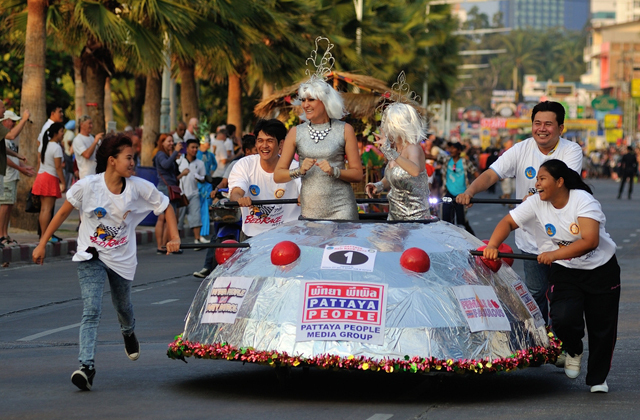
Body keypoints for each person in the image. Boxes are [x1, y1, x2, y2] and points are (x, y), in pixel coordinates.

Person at [32, 132, 181, 391]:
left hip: (122, 258)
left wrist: (175, 237)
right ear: (112, 160)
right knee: (91, 310)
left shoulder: (138, 187)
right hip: (91, 255)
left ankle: (128, 331)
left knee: (123, 306)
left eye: (133, 158)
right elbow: (62, 213)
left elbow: (166, 206)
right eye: (128, 158)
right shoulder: (88, 186)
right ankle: (86, 366)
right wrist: (42, 243)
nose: (133, 162)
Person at [483, 159, 619, 393]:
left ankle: (597, 379)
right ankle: (573, 349)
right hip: (565, 269)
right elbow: (508, 222)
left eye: (542, 179)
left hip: (601, 270)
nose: (537, 183)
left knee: (602, 327)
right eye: (536, 179)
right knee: (563, 317)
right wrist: (493, 245)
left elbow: (590, 241)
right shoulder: (536, 202)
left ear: (559, 182)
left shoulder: (583, 200)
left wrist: (554, 254)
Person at [456, 101, 583, 325]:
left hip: (563, 240)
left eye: (548, 124)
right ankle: (543, 339)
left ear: (561, 128)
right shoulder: (520, 149)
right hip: (531, 239)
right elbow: (492, 174)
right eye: (537, 123)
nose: (542, 129)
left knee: (562, 297)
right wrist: (469, 192)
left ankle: (564, 339)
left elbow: (565, 184)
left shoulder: (572, 151)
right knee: (535, 294)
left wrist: (534, 197)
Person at [273, 75, 362, 219]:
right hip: (310, 211)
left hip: (342, 209)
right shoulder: (296, 132)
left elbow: (357, 174)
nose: (305, 105)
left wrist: (334, 171)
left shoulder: (345, 129)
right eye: (303, 100)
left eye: (311, 99)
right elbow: (278, 176)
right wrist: (299, 171)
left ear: (325, 101)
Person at [193, 134, 258, 278]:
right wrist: (216, 190)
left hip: (254, 208)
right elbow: (224, 182)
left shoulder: (261, 165)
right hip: (235, 205)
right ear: (247, 151)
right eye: (255, 150)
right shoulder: (236, 164)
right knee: (217, 234)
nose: (258, 152)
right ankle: (207, 266)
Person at [229, 119, 301, 239]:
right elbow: (236, 191)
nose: (264, 146)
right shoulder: (244, 165)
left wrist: (304, 196)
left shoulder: (294, 167)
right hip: (253, 237)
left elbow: (303, 187)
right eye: (260, 141)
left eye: (270, 141)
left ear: (281, 144)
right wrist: (239, 199)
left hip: (288, 235)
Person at [365, 102, 429, 220]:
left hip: (415, 219)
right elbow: (393, 177)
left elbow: (414, 171)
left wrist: (391, 153)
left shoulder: (413, 148)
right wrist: (378, 185)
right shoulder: (396, 150)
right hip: (394, 217)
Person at [0, 110, 36, 246]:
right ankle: (1, 235)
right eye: (12, 121)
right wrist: (24, 119)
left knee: (8, 207)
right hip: (6, 176)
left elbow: (7, 153)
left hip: (10, 176)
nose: (14, 124)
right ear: (5, 121)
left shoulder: (6, 139)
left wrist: (21, 162)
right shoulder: (5, 135)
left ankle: (4, 234)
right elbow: (5, 157)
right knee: (4, 207)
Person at [31, 122, 66, 242]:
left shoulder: (43, 145)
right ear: (56, 133)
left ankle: (43, 235)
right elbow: (58, 167)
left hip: (41, 176)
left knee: (43, 209)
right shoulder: (56, 147)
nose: (63, 134)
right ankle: (45, 236)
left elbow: (39, 162)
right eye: (61, 131)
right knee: (47, 209)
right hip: (50, 178)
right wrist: (63, 182)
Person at [154, 133, 187, 254]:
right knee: (165, 217)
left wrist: (175, 156)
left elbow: (174, 173)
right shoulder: (160, 154)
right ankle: (162, 246)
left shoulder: (168, 155)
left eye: (172, 141)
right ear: (162, 143)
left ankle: (164, 245)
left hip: (170, 188)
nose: (171, 143)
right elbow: (165, 165)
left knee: (168, 218)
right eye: (168, 141)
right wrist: (175, 153)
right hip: (165, 188)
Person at [436, 141, 479, 234]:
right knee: (446, 221)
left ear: (459, 150)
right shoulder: (446, 160)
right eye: (450, 148)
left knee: (461, 222)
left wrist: (472, 192)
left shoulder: (465, 162)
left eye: (454, 148)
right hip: (448, 193)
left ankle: (472, 239)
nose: (451, 150)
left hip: (462, 195)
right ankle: (448, 239)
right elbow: (432, 157)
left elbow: (477, 175)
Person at [176, 139, 208, 245]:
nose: (194, 150)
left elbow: (203, 178)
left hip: (194, 193)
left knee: (196, 216)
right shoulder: (179, 161)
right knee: (179, 219)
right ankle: (176, 241)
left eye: (196, 147)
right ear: (187, 149)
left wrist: (200, 178)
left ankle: (197, 239)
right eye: (192, 147)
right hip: (180, 194)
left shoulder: (200, 163)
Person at [196, 137, 217, 238]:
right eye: (207, 142)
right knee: (198, 207)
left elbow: (215, 164)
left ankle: (204, 232)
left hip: (207, 183)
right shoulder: (196, 154)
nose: (208, 144)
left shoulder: (210, 155)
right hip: (198, 183)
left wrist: (210, 173)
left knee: (206, 206)